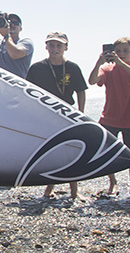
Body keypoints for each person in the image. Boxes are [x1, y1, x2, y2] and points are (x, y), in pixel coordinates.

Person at [25, 32, 87, 200]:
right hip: (46, 116)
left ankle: (74, 191)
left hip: (68, 115)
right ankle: (48, 188)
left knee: (72, 152)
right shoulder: (37, 68)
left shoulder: (73, 67)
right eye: (51, 45)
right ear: (46, 47)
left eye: (59, 45)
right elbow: (29, 92)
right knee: (49, 152)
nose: (55, 49)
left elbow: (81, 91)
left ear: (65, 47)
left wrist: (81, 113)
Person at [87, 37, 130, 201]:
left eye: (125, 51)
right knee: (107, 153)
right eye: (118, 51)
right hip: (110, 118)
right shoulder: (107, 69)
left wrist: (121, 64)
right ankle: (112, 182)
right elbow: (92, 81)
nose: (121, 54)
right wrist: (99, 62)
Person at [0, 12, 33, 78]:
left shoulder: (26, 42)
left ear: (20, 28)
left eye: (16, 23)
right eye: (9, 22)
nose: (12, 25)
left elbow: (15, 54)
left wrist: (6, 36)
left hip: (14, 86)